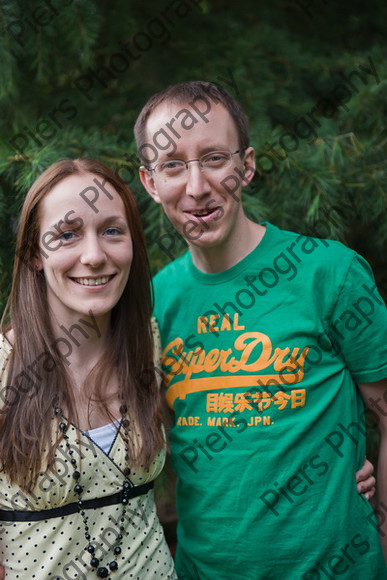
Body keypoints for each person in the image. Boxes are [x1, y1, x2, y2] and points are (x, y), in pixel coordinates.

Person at [135, 81, 387, 579]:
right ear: (150, 182)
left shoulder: (328, 273)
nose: (196, 187)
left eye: (213, 158)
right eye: (172, 165)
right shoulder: (153, 302)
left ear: (245, 166)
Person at [0, 158, 177, 579]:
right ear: (33, 254)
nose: (94, 256)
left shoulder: (149, 344)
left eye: (112, 231)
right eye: (67, 234)